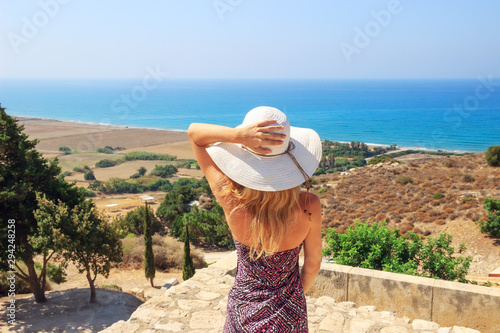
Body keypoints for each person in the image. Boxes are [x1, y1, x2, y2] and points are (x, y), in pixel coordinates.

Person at [188, 106, 323, 332]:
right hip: (289, 315)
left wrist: (238, 136)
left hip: (243, 311)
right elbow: (312, 264)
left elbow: (195, 134)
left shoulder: (229, 197)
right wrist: (293, 297)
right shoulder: (309, 206)